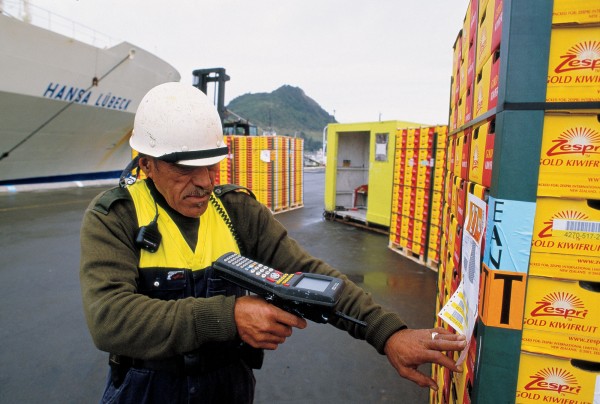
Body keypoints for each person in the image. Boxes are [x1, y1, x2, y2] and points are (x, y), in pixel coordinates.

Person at [80, 82, 466, 403]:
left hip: (227, 388)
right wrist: (229, 315)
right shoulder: (115, 217)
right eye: (186, 169)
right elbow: (109, 319)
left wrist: (388, 333)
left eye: (212, 165)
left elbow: (310, 274)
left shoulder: (237, 211)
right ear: (147, 162)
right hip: (147, 390)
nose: (205, 183)